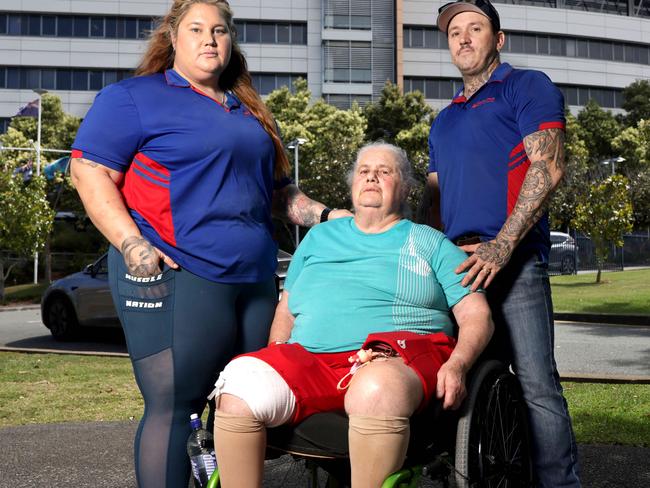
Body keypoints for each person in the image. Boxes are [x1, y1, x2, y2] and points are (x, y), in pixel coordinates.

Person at [69, 1, 347, 486]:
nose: (210, 39)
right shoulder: (133, 98)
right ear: (173, 38)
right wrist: (133, 244)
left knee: (241, 406)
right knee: (175, 406)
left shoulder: (251, 110)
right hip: (178, 274)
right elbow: (89, 172)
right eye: (196, 29)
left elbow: (280, 195)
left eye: (220, 30)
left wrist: (327, 216)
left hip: (255, 280)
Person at [210, 142, 494, 488]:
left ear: (404, 187)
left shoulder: (430, 243)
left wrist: (458, 364)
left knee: (373, 387)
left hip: (396, 358)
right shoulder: (318, 238)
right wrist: (277, 353)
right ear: (352, 185)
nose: (372, 177)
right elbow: (287, 306)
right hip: (313, 360)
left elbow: (477, 314)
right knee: (240, 380)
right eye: (364, 171)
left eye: (384, 171)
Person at [421, 1, 581, 487]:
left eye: (475, 28)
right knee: (454, 379)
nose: (464, 38)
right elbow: (434, 197)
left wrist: (503, 244)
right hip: (456, 269)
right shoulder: (443, 119)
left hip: (514, 259)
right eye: (455, 32)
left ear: (499, 39)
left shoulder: (525, 86)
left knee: (536, 385)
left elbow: (548, 166)